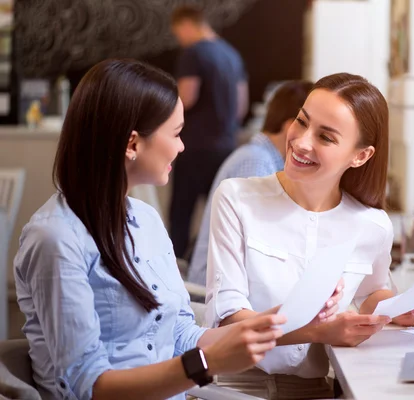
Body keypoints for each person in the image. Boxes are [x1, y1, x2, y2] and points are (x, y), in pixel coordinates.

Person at [13, 59, 341, 400]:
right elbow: (90, 388)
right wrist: (205, 363)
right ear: (133, 144)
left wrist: (287, 320)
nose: (182, 146)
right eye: (176, 133)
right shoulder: (55, 239)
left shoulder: (146, 220)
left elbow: (182, 334)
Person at [205, 73, 414, 399]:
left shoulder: (372, 225)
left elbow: (372, 293)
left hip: (315, 390)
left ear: (360, 156)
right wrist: (319, 331)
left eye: (326, 138)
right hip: (239, 389)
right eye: (302, 122)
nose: (302, 142)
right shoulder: (237, 198)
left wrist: (403, 310)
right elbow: (228, 322)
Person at [188, 80, 314, 286]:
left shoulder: (264, 158)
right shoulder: (257, 161)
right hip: (218, 288)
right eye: (311, 127)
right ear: (291, 125)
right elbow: (257, 248)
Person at [169, 4, 248, 257]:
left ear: (187, 25)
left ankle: (176, 268)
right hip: (225, 146)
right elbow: (241, 105)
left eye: (178, 32)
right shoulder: (232, 54)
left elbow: (187, 97)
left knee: (181, 214)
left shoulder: (194, 53)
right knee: (218, 215)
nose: (179, 39)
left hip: (195, 146)